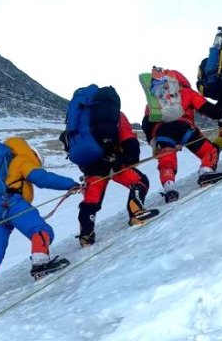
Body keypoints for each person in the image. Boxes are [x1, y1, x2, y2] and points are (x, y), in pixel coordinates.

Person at [0, 137, 80, 305]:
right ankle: (40, 264)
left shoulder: (1, 166)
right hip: (12, 202)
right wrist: (71, 184)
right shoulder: (21, 160)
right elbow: (41, 178)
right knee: (40, 229)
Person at [63, 86, 156, 245]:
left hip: (91, 166)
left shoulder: (79, 120)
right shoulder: (115, 115)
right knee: (140, 182)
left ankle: (86, 234)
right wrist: (131, 158)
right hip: (113, 161)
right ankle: (135, 212)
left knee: (91, 199)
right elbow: (128, 138)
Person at [141, 67, 222, 202]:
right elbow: (208, 109)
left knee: (167, 160)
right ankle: (206, 172)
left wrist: (152, 141)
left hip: (163, 132)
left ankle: (169, 189)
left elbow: (146, 123)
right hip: (185, 129)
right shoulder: (186, 92)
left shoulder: (155, 99)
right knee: (210, 150)